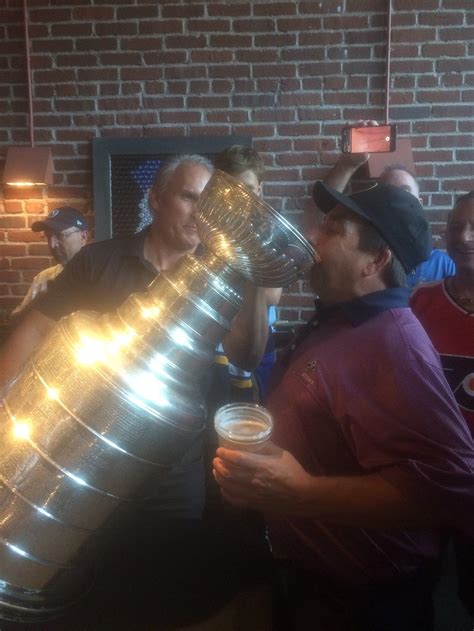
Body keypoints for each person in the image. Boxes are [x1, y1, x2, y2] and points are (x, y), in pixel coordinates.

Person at [0, 154, 271, 627]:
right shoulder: (99, 260)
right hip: (79, 454)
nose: (199, 214)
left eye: (208, 205)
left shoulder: (215, 283)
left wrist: (244, 264)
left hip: (172, 463)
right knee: (83, 568)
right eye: (189, 197)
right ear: (156, 199)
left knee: (165, 576)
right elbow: (35, 331)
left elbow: (247, 354)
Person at [214, 182, 474, 630]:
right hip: (312, 576)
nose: (313, 235)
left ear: (375, 261)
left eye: (334, 229)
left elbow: (451, 486)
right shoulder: (342, 319)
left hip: (362, 603)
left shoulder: (393, 344)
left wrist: (300, 493)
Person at [411, 190, 474, 616]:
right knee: (415, 585)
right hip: (427, 474)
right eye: (456, 227)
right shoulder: (419, 301)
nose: (464, 237)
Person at [319, 122, 455, 289]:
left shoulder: (442, 264)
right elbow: (324, 217)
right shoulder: (358, 251)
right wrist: (348, 163)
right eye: (388, 192)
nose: (395, 199)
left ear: (419, 203)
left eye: (404, 192)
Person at [214, 144, 282, 401]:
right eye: (232, 189)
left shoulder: (271, 231)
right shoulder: (207, 227)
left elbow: (272, 295)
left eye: (249, 189)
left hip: (258, 338)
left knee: (252, 409)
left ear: (260, 190)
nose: (240, 197)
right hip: (214, 339)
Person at [10, 206, 88, 317]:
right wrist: (35, 305)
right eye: (48, 236)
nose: (52, 245)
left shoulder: (103, 275)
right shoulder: (43, 278)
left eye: (60, 236)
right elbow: (14, 322)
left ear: (83, 237)